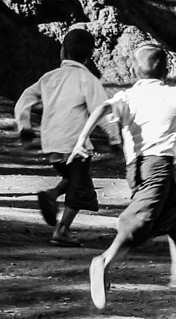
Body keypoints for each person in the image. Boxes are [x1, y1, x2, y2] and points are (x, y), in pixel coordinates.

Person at [67, 43, 176, 310]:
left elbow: (101, 110)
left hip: (136, 168)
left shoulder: (128, 97)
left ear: (134, 69)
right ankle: (104, 261)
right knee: (140, 221)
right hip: (158, 167)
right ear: (166, 69)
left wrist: (81, 140)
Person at [14, 28, 120, 247]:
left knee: (74, 179)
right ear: (90, 56)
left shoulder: (49, 78)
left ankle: (52, 195)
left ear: (62, 51)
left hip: (51, 144)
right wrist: (114, 138)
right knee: (81, 189)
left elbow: (24, 99)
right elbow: (102, 111)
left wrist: (25, 126)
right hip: (75, 145)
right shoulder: (87, 79)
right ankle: (62, 230)